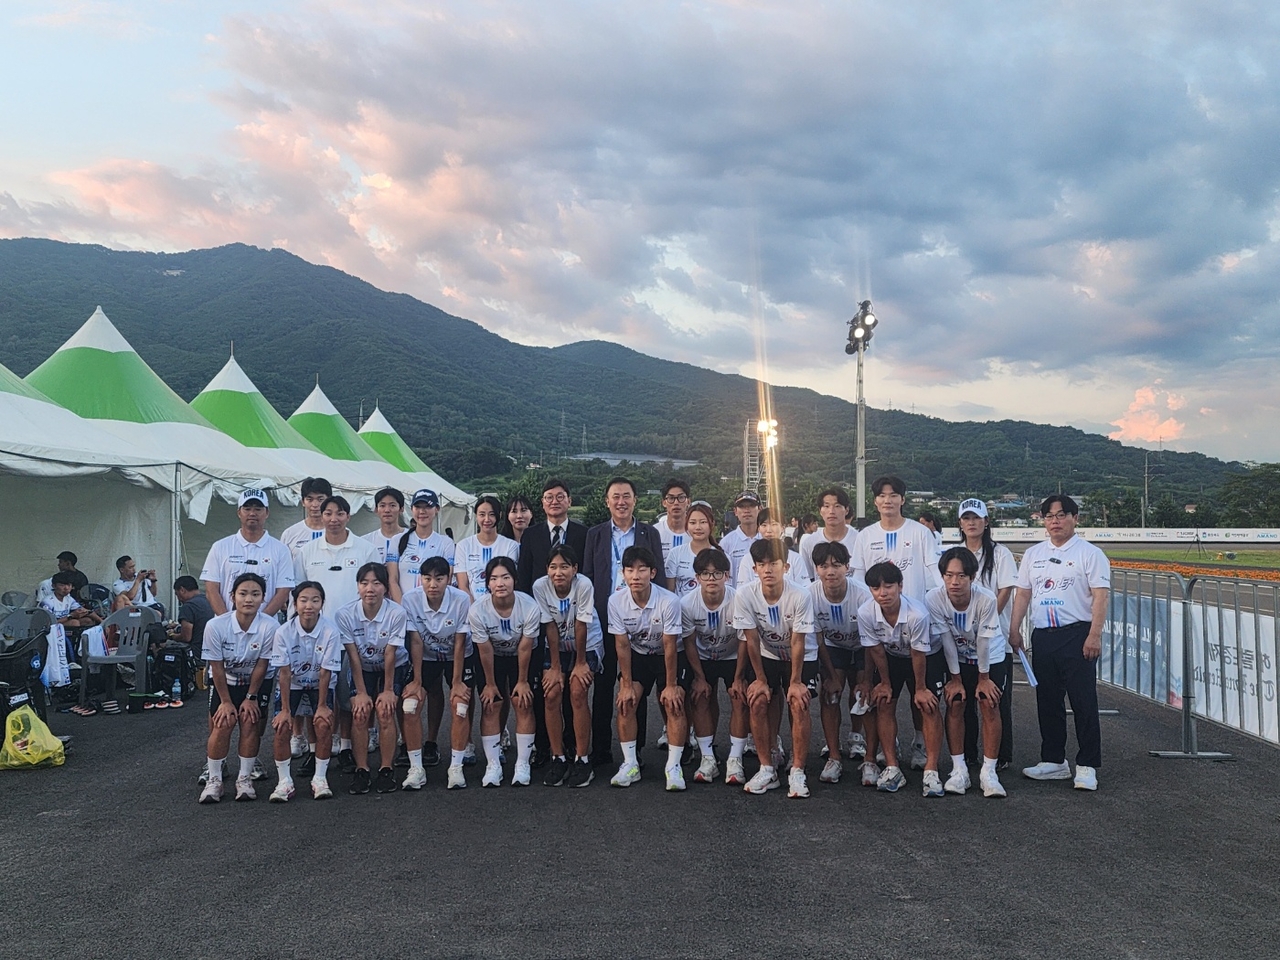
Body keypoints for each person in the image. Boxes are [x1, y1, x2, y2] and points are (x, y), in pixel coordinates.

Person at [1009, 494, 1110, 792]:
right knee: (1048, 701)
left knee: (1083, 701)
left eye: (1062, 515)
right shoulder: (1033, 554)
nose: (1055, 521)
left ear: (1075, 518)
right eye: (1049, 516)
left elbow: (1100, 597)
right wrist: (1014, 629)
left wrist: (1094, 634)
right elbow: (1023, 593)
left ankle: (1087, 764)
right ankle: (1053, 760)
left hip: (1077, 634)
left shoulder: (1090, 554)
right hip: (1043, 635)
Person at [851, 475, 943, 770]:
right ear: (875, 501)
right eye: (882, 495)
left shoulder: (920, 533)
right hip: (883, 631)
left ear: (903, 499)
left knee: (921, 695)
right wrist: (867, 614)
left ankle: (920, 744)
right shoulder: (865, 536)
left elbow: (935, 575)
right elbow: (859, 580)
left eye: (893, 495)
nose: (887, 500)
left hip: (916, 626)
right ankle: (886, 749)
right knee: (884, 696)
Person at [581, 476, 666, 767]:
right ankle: (601, 749)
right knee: (604, 686)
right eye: (615, 496)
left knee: (634, 686)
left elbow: (658, 574)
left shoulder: (649, 533)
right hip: (606, 618)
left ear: (635, 500)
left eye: (626, 496)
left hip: (639, 620)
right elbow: (588, 577)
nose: (621, 502)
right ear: (607, 502)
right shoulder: (595, 534)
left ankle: (635, 750)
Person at [733, 538, 819, 798]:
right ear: (755, 569)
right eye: (762, 564)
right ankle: (767, 768)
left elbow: (798, 641)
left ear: (786, 567)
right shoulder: (744, 594)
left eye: (773, 564)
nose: (768, 569)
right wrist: (760, 679)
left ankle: (798, 770)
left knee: (798, 702)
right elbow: (751, 639)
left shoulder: (801, 595)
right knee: (757, 700)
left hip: (801, 656)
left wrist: (795, 682)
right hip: (767, 653)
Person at [927, 548, 1008, 799]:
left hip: (990, 656)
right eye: (949, 575)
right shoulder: (934, 598)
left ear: (972, 577)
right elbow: (946, 639)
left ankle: (989, 772)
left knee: (988, 703)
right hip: (958, 657)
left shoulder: (986, 599)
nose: (955, 582)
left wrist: (984, 679)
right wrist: (955, 679)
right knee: (955, 702)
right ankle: (959, 769)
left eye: (961, 576)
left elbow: (983, 641)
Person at [607, 545, 688, 791]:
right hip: (639, 655)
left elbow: (670, 644)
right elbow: (622, 645)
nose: (636, 575)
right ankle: (630, 763)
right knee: (626, 702)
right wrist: (626, 684)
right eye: (630, 570)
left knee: (673, 703)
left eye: (642, 569)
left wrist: (671, 685)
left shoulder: (669, 601)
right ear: (623, 573)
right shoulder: (615, 601)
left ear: (652, 573)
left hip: (668, 655)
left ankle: (673, 766)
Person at [856, 561, 941, 795]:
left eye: (889, 586)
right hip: (891, 655)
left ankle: (931, 769)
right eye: (876, 588)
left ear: (900, 586)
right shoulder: (865, 612)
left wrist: (921, 688)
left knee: (927, 704)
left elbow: (918, 654)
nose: (882, 593)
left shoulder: (917, 614)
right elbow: (875, 650)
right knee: (884, 701)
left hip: (925, 655)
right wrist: (884, 683)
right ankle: (892, 767)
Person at [198, 573, 278, 803]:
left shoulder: (271, 626)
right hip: (226, 681)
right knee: (223, 722)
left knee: (250, 720)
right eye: (243, 594)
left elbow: (262, 664)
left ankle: (244, 779)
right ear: (233, 597)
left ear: (263, 598)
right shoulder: (215, 626)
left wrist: (251, 697)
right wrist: (225, 702)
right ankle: (214, 779)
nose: (249, 599)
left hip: (256, 682)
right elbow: (216, 667)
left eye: (255, 594)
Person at [335, 562, 411, 796]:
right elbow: (353, 656)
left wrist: (388, 691)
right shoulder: (344, 614)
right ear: (357, 587)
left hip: (393, 664)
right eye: (364, 583)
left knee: (385, 711)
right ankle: (362, 770)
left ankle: (387, 769)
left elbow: (390, 653)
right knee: (360, 712)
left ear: (386, 588)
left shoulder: (397, 612)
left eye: (376, 583)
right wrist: (360, 692)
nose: (370, 589)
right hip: (363, 666)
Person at [400, 555, 476, 789]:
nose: (433, 584)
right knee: (410, 704)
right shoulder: (410, 599)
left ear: (448, 579)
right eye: (427, 578)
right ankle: (417, 767)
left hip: (458, 654)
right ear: (420, 579)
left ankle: (456, 767)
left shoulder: (461, 599)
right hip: (426, 655)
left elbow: (460, 642)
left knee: (460, 704)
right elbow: (415, 641)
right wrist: (417, 680)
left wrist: (457, 682)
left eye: (439, 578)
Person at [467, 556, 542, 787]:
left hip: (523, 656)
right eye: (494, 578)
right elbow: (485, 650)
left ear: (515, 580)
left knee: (522, 701)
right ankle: (493, 765)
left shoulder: (529, 606)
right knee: (491, 704)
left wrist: (522, 681)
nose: (500, 583)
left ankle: (522, 763)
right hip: (494, 657)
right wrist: (490, 684)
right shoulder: (477, 610)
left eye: (506, 577)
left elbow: (525, 647)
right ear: (487, 583)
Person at [533, 544, 603, 787]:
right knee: (551, 693)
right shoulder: (540, 586)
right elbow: (550, 626)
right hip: (557, 644)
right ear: (547, 569)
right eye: (553, 567)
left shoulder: (583, 585)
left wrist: (580, 663)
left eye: (564, 566)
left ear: (575, 569)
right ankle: (558, 757)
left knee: (577, 691)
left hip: (587, 642)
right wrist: (555, 667)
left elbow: (581, 624)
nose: (558, 572)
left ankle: (582, 759)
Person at [267, 581, 342, 801]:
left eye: (315, 600)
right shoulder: (283, 632)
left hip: (320, 683)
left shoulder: (330, 631)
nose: (309, 605)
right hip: (293, 684)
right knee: (282, 726)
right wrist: (286, 710)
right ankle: (284, 781)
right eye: (303, 600)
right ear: (294, 603)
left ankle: (320, 778)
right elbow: (284, 673)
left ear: (322, 604)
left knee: (323, 724)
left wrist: (322, 706)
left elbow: (326, 673)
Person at [957, 497, 1018, 769]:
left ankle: (1000, 756)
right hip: (962, 640)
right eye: (966, 518)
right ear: (960, 523)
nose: (972, 523)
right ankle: (967, 754)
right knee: (964, 702)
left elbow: (1005, 590)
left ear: (986, 521)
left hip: (996, 641)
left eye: (976, 518)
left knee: (996, 700)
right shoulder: (955, 553)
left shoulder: (1000, 553)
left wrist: (987, 620)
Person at [681, 548, 750, 785]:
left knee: (740, 698)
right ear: (697, 577)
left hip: (733, 657)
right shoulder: (687, 603)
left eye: (717, 573)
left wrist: (739, 677)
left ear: (727, 576)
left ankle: (735, 759)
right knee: (700, 697)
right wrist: (699, 678)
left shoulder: (739, 600)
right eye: (705, 573)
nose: (711, 579)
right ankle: (708, 758)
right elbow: (689, 643)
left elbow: (744, 640)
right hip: (703, 658)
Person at [810, 542, 872, 785]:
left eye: (836, 565)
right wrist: (831, 677)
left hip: (862, 645)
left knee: (863, 695)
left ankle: (861, 744)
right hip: (833, 646)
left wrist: (867, 680)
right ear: (816, 569)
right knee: (830, 694)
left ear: (847, 567)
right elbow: (818, 640)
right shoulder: (810, 595)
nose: (830, 571)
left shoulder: (863, 595)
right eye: (824, 566)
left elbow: (872, 642)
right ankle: (834, 756)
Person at [200, 489, 296, 618]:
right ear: (239, 512)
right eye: (247, 508)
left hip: (266, 627)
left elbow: (283, 591)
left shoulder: (281, 550)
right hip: (225, 625)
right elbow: (211, 589)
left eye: (258, 509)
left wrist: (261, 622)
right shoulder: (220, 547)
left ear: (267, 513)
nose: (252, 513)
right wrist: (227, 621)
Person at [294, 496, 378, 610]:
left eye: (340, 514)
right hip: (318, 619)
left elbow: (377, 589)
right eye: (328, 514)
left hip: (356, 619)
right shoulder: (306, 551)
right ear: (322, 517)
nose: (333, 519)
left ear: (348, 516)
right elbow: (298, 589)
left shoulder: (367, 550)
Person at [516, 478, 589, 596]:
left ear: (569, 501)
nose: (554, 502)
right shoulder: (530, 535)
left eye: (560, 497)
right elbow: (524, 575)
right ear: (543, 503)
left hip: (575, 599)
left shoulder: (584, 534)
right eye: (549, 497)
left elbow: (587, 572)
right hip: (539, 600)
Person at [388, 489, 455, 603]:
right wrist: (403, 607)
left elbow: (446, 580)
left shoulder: (446, 542)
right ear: (412, 509)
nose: (422, 511)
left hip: (433, 607)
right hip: (403, 607)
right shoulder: (397, 540)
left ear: (437, 509)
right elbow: (392, 580)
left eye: (427, 507)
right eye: (417, 507)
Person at [455, 496, 521, 600]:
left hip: (502, 604)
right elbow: (463, 586)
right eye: (482, 514)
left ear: (499, 515)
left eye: (492, 514)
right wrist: (475, 607)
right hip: (472, 606)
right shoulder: (463, 546)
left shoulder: (511, 546)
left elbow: (510, 581)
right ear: (476, 516)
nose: (487, 519)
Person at [735, 509, 808, 590]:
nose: (769, 530)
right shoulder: (748, 559)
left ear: (783, 528)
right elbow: (743, 591)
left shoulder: (796, 559)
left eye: (774, 524)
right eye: (764, 525)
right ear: (758, 528)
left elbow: (804, 589)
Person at [798, 487, 860, 581]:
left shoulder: (859, 540)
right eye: (826, 506)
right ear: (820, 511)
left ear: (846, 510)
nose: (831, 511)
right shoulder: (809, 543)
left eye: (837, 506)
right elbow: (808, 578)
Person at [665, 501, 719, 596]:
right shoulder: (675, 554)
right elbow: (669, 592)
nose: (698, 527)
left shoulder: (721, 556)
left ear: (712, 524)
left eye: (703, 522)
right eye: (693, 522)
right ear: (686, 524)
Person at [279, 477, 333, 557]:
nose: (315, 505)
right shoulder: (290, 534)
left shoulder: (340, 533)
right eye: (310, 500)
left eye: (320, 499)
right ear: (303, 502)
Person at [720, 491, 763, 585]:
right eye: (742, 506)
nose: (747, 510)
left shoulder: (767, 539)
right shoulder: (726, 543)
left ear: (759, 509)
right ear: (735, 511)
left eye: (751, 505)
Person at [364, 487, 408, 564]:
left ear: (401, 509)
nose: (387, 510)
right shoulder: (366, 541)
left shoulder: (411, 537)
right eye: (382, 506)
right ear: (376, 509)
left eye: (392, 505)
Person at [653, 478, 692, 566]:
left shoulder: (696, 532)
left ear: (688, 501)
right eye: (671, 498)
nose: (676, 503)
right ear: (664, 502)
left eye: (681, 497)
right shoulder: (654, 532)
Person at [172, 576, 214, 655]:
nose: (178, 599)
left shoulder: (188, 606)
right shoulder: (209, 601)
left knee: (162, 647)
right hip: (212, 651)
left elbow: (186, 637)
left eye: (177, 594)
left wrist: (172, 636)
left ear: (182, 590)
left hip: (196, 653)